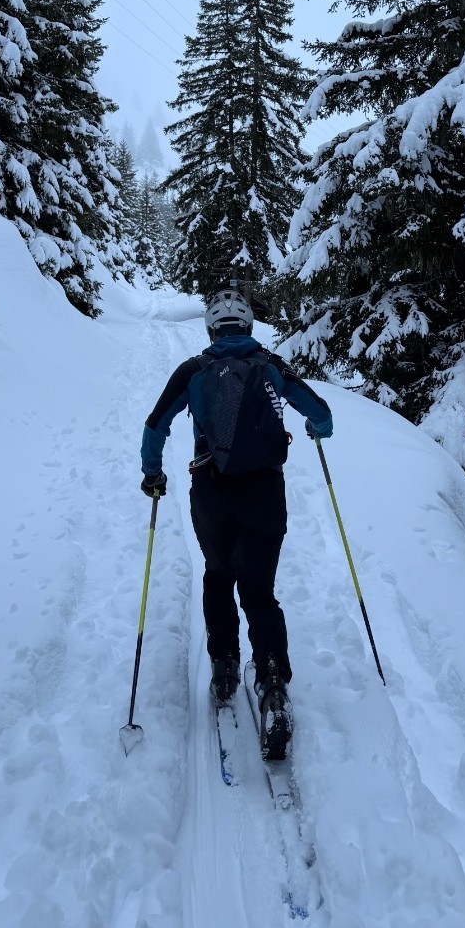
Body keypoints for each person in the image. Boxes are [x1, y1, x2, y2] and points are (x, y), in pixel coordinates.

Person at [140, 283, 333, 758]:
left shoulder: (195, 369)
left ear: (211, 327)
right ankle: (271, 682)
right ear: (247, 325)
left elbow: (155, 425)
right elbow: (321, 413)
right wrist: (315, 429)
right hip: (266, 490)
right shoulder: (270, 364)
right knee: (260, 590)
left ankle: (225, 665)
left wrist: (153, 474)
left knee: (218, 575)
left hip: (212, 491)